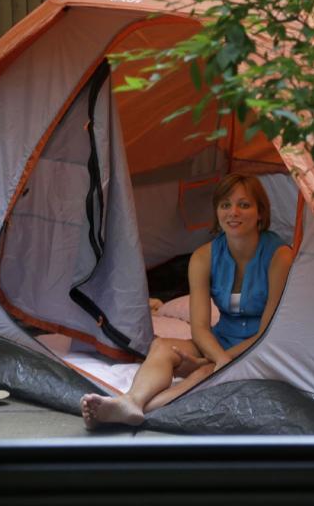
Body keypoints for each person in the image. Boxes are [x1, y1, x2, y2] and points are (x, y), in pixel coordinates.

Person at [80, 173, 294, 428]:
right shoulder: (204, 256)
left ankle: (135, 411)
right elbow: (200, 328)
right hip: (220, 341)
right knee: (162, 347)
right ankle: (131, 401)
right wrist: (217, 357)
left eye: (244, 205)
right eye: (225, 205)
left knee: (203, 373)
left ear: (261, 212)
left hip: (260, 348)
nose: (233, 212)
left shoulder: (280, 256)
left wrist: (213, 362)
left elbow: (266, 332)